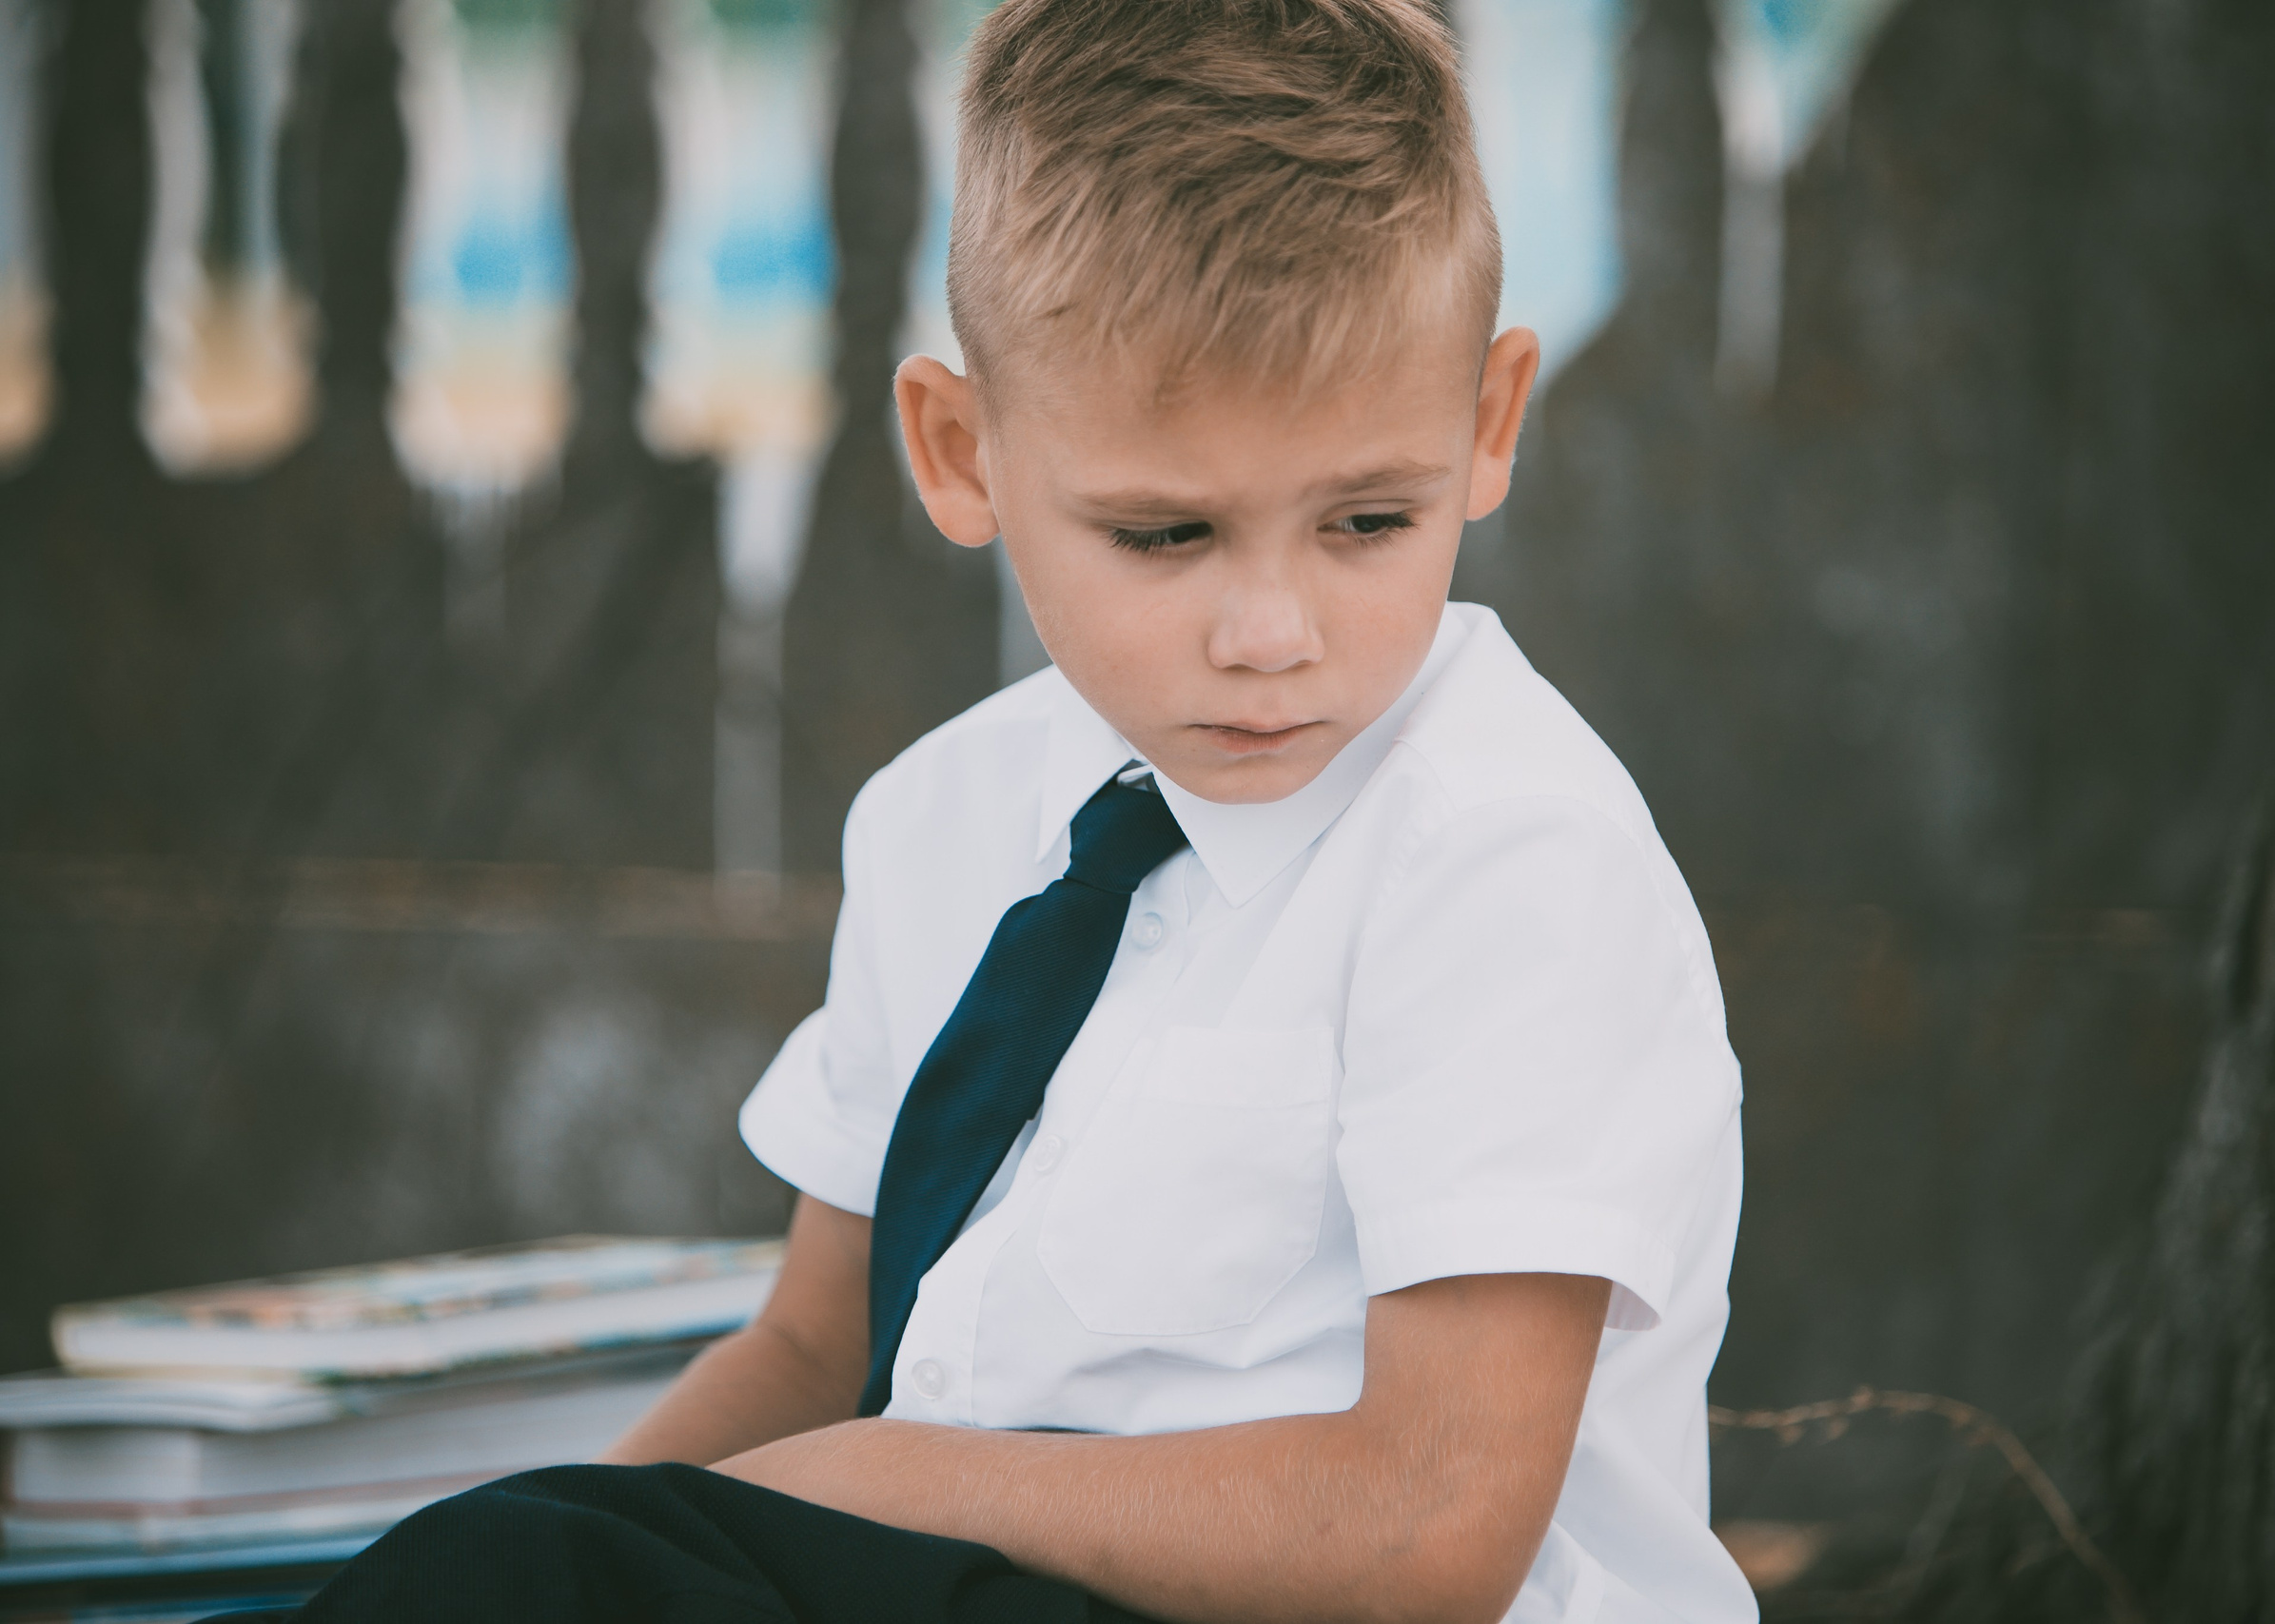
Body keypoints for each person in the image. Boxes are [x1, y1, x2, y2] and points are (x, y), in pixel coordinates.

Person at [231, 2, 1755, 1620]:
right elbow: (819, 1348)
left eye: (1369, 520)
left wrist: (900, 1484)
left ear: (1488, 424)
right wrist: (583, 1539)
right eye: (1166, 537)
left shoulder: (1508, 852)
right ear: (963, 456)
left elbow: (1427, 1531)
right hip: (949, 1571)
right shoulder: (943, 821)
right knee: (496, 1567)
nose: (1270, 631)